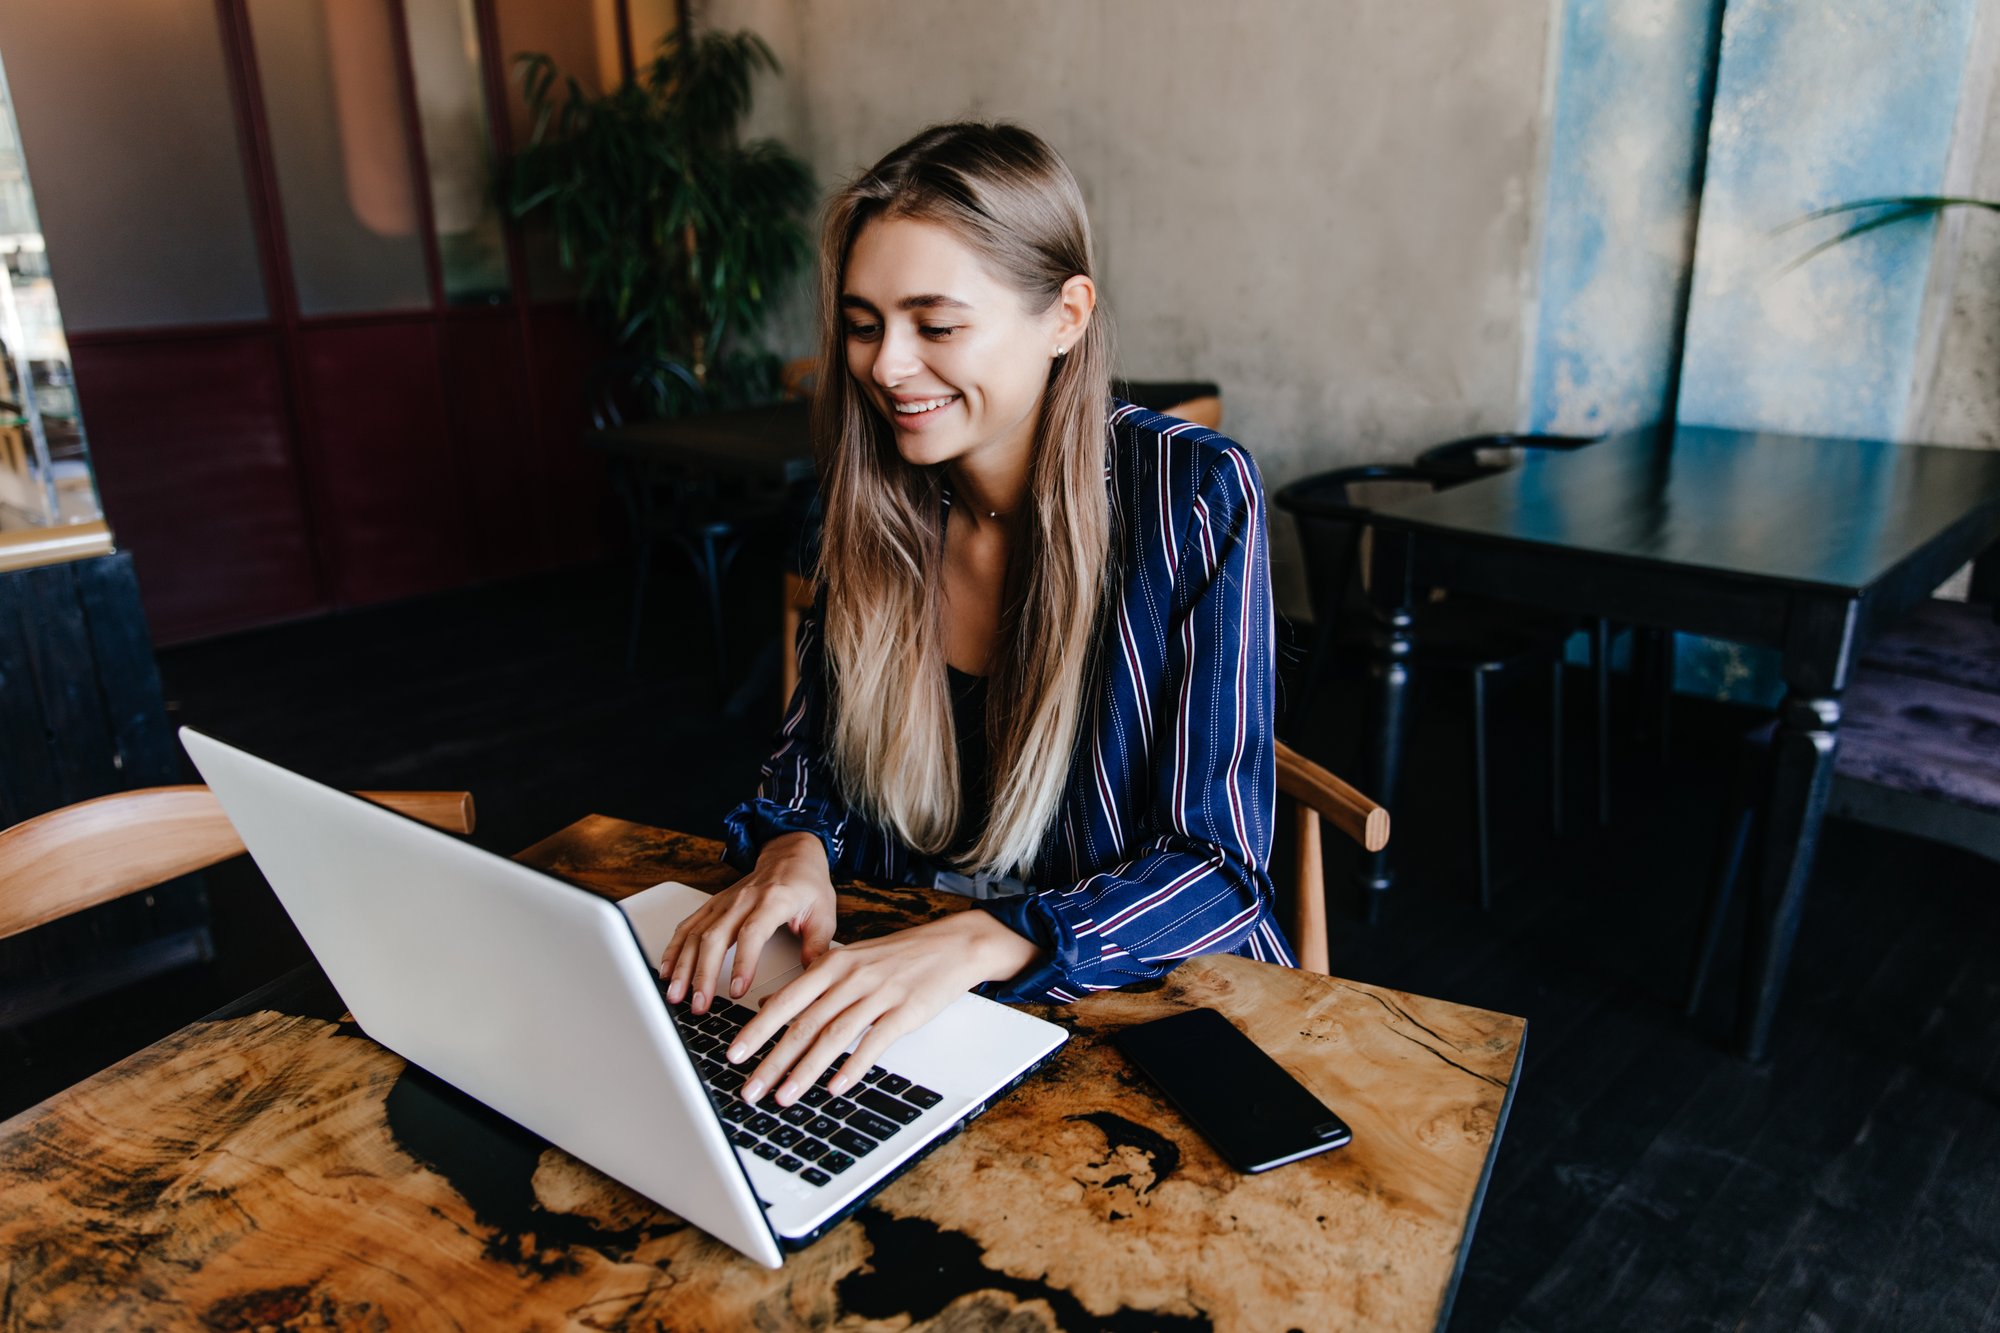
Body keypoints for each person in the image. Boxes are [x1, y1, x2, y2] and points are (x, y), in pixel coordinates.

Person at [659, 121, 1292, 1112]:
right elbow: (808, 767)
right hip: (911, 995)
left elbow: (1217, 868)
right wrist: (795, 851)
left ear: (1065, 316)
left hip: (1139, 1008)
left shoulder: (1192, 491)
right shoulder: (864, 497)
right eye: (864, 323)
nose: (885, 366)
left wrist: (988, 939)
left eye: (935, 324)